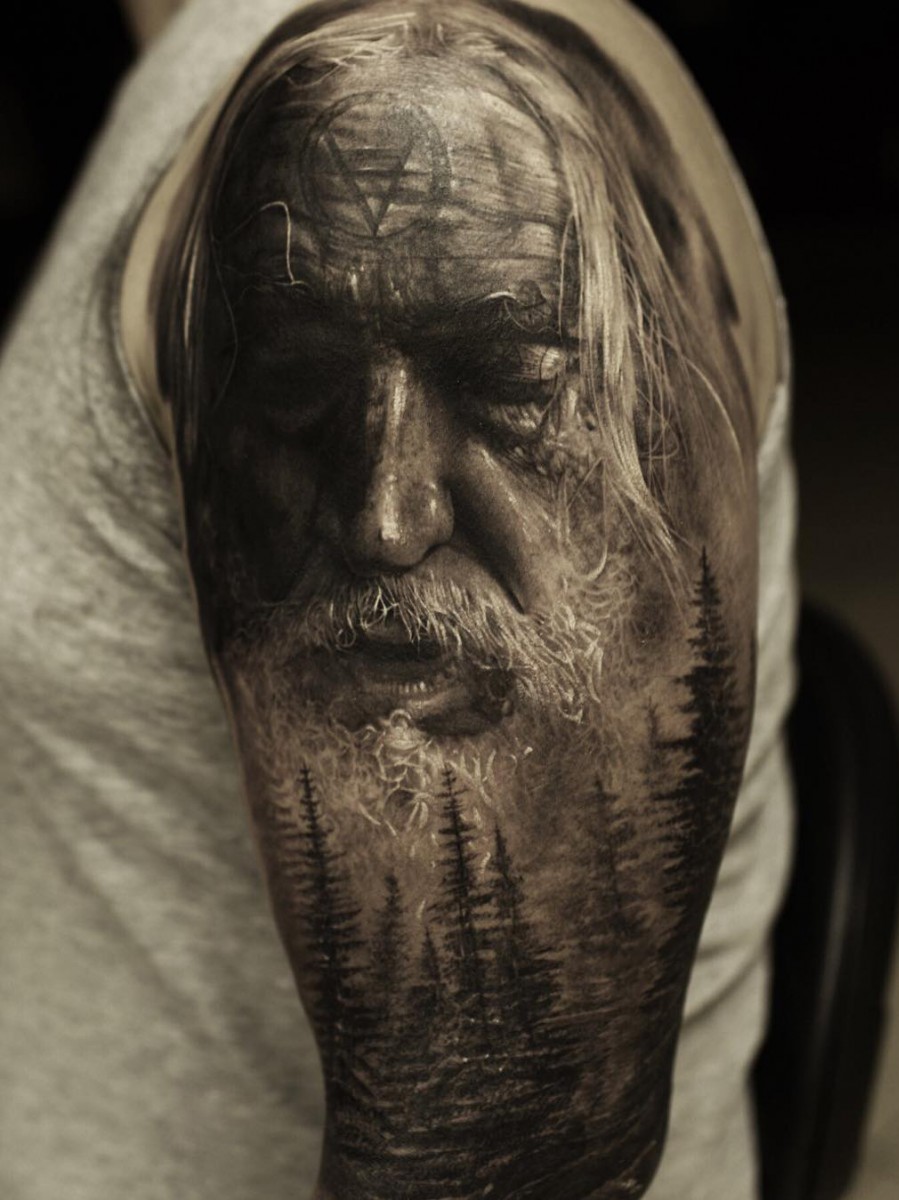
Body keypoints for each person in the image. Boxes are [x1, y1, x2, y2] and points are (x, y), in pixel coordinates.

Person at [0, 2, 797, 1198]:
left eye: (507, 377)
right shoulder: (221, 69)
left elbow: (503, 1173)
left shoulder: (416, 103)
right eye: (299, 380)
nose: (384, 519)